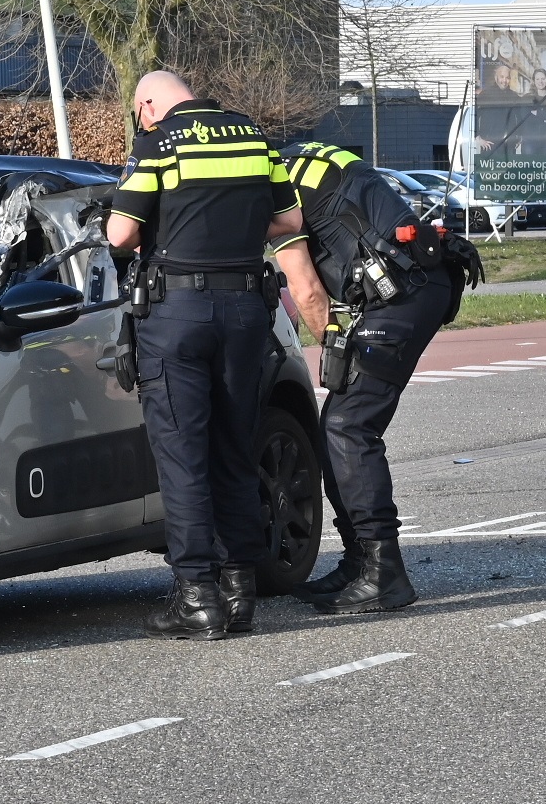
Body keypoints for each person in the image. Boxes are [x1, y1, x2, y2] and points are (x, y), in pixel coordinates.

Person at [106, 71, 303, 641]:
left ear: (149, 104)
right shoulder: (255, 137)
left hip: (178, 316)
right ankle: (239, 590)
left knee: (183, 454)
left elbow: (121, 234)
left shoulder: (158, 144)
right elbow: (288, 221)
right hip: (246, 312)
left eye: (139, 112)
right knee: (234, 448)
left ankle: (196, 595)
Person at [272, 142, 481, 613]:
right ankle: (358, 560)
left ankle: (383, 572)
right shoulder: (310, 157)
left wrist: (330, 342)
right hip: (420, 279)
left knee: (349, 425)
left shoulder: (273, 188)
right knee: (336, 427)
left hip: (401, 296)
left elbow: (306, 292)